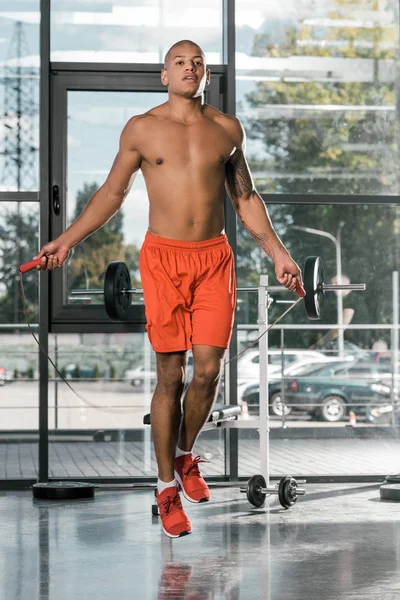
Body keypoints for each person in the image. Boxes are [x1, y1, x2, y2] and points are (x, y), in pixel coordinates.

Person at [34, 40, 304, 539]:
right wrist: (67, 241)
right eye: (179, 61)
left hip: (214, 258)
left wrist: (280, 254)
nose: (189, 67)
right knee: (170, 378)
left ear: (206, 75)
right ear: (164, 74)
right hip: (163, 260)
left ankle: (183, 455)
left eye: (197, 62)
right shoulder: (142, 128)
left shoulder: (226, 130)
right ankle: (165, 487)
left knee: (209, 371)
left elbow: (245, 200)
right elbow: (112, 195)